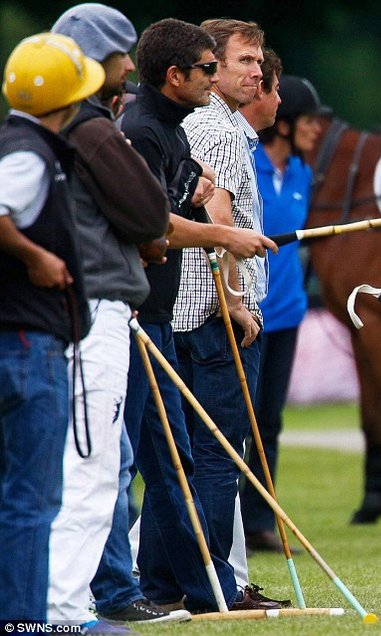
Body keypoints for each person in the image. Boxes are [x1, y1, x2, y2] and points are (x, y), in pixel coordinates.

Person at [119, 17, 276, 613]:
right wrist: (231, 286)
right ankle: (177, 586)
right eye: (226, 65)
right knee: (187, 462)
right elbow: (170, 223)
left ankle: (186, 588)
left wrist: (198, 196)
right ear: (177, 74)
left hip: (169, 313)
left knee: (174, 461)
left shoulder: (181, 126)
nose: (251, 75)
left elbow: (190, 195)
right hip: (180, 315)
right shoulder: (172, 126)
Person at [47, 4, 186, 628]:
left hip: (74, 313)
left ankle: (55, 607)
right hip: (97, 313)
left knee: (91, 467)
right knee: (94, 470)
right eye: (119, 54)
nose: (130, 67)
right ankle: (64, 610)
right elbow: (152, 218)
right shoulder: (93, 127)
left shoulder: (44, 126)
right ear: (88, 59)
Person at [0, 31, 102, 623]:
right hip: (26, 342)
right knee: (31, 498)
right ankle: (22, 621)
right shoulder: (28, 151)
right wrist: (36, 256)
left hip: (21, 338)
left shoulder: (13, 141)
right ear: (67, 101)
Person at [176, 18, 279, 601]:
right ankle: (214, 584)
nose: (257, 71)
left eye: (258, 60)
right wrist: (237, 303)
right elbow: (221, 224)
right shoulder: (218, 132)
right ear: (211, 69)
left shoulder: (220, 126)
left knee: (192, 457)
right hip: (215, 315)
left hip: (196, 312)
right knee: (219, 456)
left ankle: (177, 579)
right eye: (243, 60)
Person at [240, 74, 323, 553]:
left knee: (268, 421)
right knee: (234, 419)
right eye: (311, 121)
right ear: (286, 124)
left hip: (287, 312)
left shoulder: (302, 174)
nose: (318, 130)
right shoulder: (244, 163)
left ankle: (258, 520)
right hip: (245, 312)